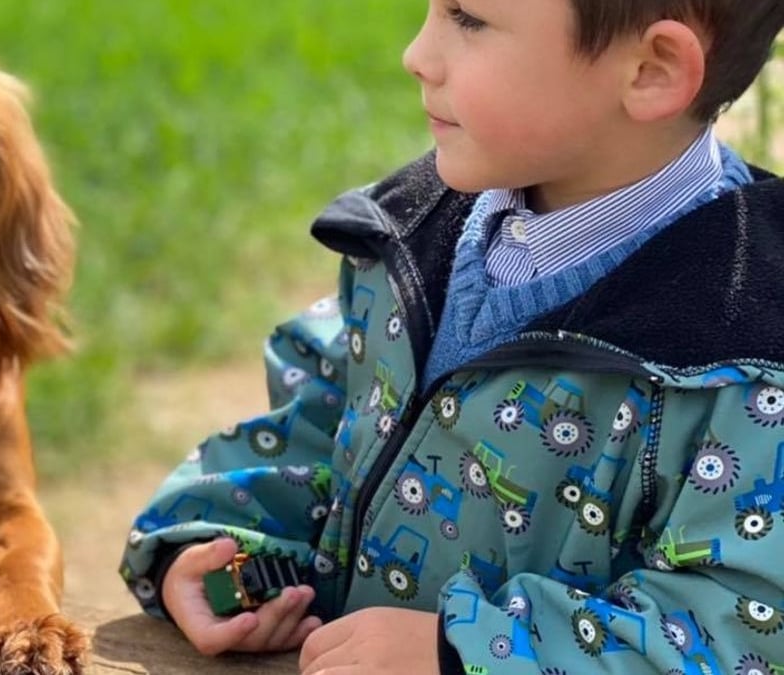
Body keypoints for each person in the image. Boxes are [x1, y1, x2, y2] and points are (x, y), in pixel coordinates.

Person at [119, 1, 784, 673]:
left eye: (466, 18)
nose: (417, 54)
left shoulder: (747, 363)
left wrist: (464, 651)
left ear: (651, 71)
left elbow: (744, 630)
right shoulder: (401, 240)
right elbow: (320, 427)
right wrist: (220, 550)